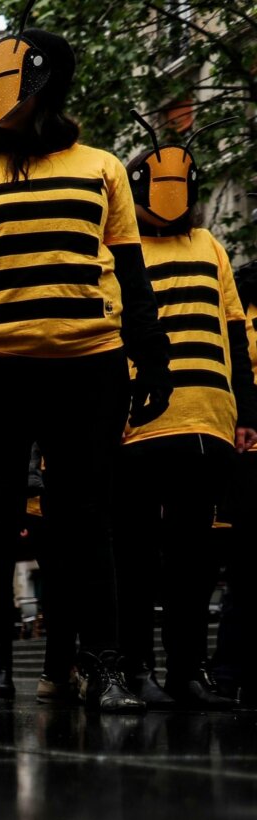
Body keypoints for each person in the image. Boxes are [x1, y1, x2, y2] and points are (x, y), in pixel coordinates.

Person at [0, 19, 172, 711]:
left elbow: (131, 274)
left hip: (88, 369)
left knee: (88, 520)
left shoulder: (102, 169)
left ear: (44, 87)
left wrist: (150, 359)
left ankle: (103, 663)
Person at [111, 111, 254, 707]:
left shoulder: (211, 246)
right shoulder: (119, 248)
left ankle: (187, 672)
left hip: (209, 420)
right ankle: (137, 668)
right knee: (137, 556)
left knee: (193, 561)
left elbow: (234, 332)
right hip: (139, 420)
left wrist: (246, 413)